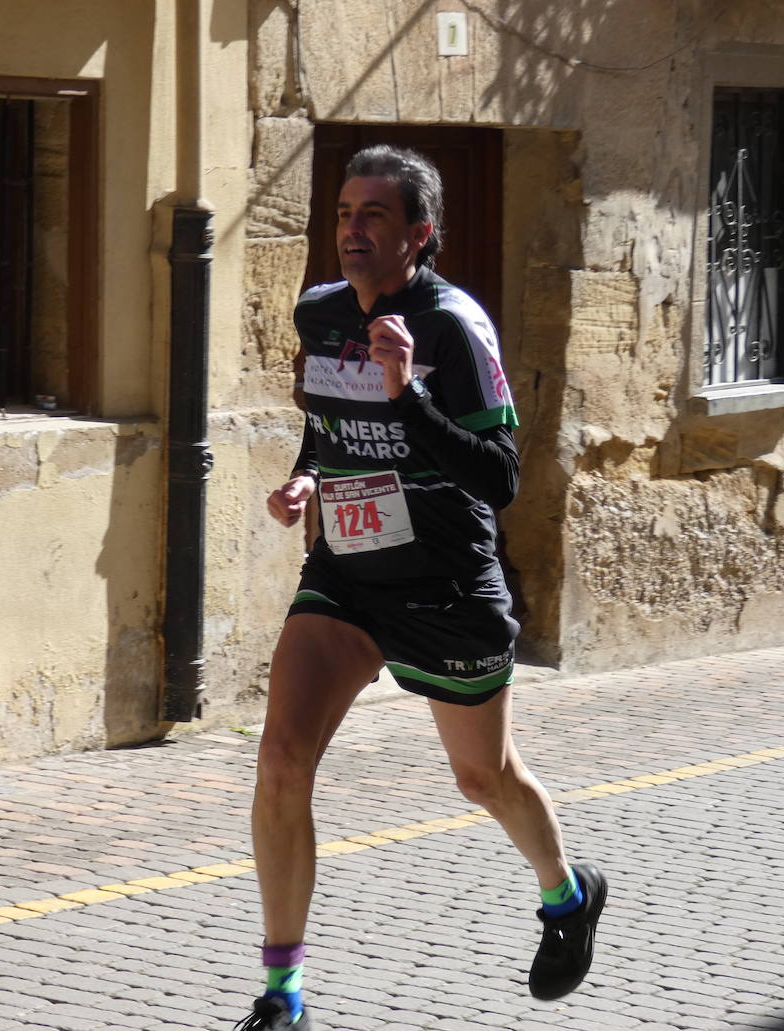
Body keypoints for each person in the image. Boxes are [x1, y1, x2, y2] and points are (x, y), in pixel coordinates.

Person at [236, 146, 607, 1030]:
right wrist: (309, 479)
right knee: (283, 761)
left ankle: (567, 895)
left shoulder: (453, 326)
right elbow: (330, 425)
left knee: (485, 777)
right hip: (348, 578)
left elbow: (499, 475)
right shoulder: (319, 311)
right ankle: (282, 991)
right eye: (341, 213)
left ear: (418, 233)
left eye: (371, 216)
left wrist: (408, 395)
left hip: (445, 582)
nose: (350, 230)